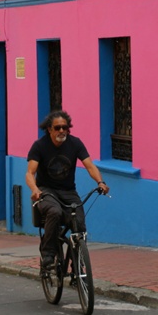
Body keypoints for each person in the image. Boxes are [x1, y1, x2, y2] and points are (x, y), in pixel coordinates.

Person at [26, 110, 109, 273]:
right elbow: (30, 173)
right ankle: (48, 255)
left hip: (68, 191)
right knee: (54, 212)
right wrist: (35, 190)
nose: (62, 131)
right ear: (49, 129)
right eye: (57, 128)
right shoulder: (40, 146)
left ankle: (76, 263)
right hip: (46, 191)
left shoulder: (75, 143)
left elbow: (90, 166)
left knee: (79, 224)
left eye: (65, 127)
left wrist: (100, 182)